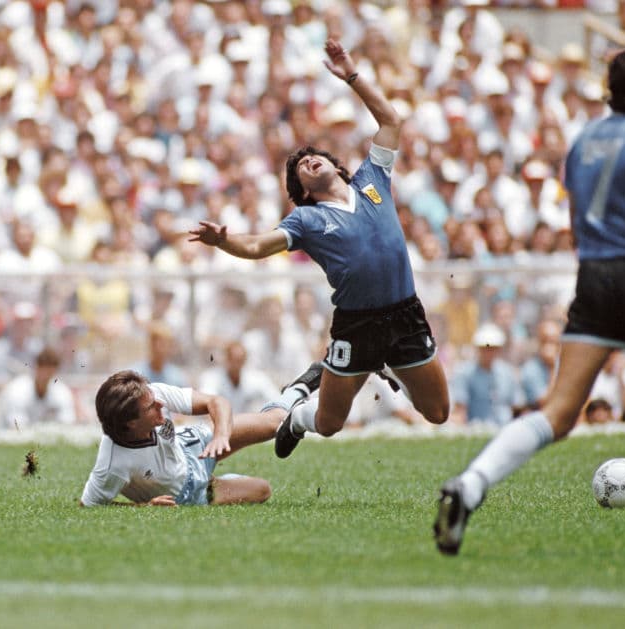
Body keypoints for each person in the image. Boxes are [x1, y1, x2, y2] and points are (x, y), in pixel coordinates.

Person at [434, 38, 625, 555]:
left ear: (611, 89)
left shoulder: (585, 141)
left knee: (559, 412)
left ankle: (470, 485)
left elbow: (580, 214)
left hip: (598, 275)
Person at [189, 39, 449, 460]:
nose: (308, 160)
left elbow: (391, 120)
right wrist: (224, 241)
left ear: (334, 164)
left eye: (312, 156)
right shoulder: (307, 220)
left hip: (405, 312)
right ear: (303, 192)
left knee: (437, 413)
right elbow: (256, 246)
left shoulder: (371, 181)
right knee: (328, 424)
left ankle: (383, 363)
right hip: (357, 323)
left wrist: (352, 75)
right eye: (299, 167)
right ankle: (294, 416)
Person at [79, 368, 316, 507]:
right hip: (189, 491)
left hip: (193, 442)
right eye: (151, 406)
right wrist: (143, 507)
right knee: (262, 490)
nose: (160, 403)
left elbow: (216, 402)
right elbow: (89, 506)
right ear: (131, 422)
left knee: (274, 423)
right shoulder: (113, 463)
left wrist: (221, 435)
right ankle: (219, 481)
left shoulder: (152, 393)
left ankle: (297, 390)